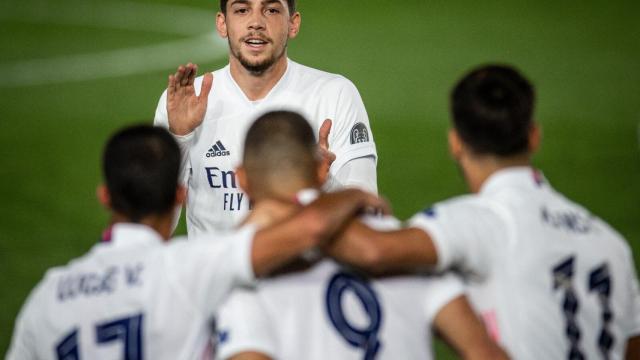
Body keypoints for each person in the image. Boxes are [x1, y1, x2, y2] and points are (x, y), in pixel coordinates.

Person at [328, 65, 640, 359]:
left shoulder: (477, 222)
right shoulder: (610, 243)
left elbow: (371, 251)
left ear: (455, 143)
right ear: (534, 136)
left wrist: (314, 186)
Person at [5, 125, 385, 360]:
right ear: (179, 196)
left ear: (105, 197)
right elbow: (310, 227)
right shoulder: (191, 267)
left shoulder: (49, 295)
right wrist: (349, 194)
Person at [214, 111, 508, 360]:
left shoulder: (242, 272)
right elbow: (484, 351)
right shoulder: (400, 242)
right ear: (320, 170)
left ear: (241, 179)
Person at [154, 0, 378, 235]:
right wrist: (179, 138)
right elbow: (156, 229)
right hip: (218, 271)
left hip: (301, 270)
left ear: (293, 24)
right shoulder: (185, 102)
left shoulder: (335, 94)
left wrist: (323, 181)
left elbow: (370, 219)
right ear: (222, 24)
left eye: (271, 10)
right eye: (242, 10)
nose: (256, 23)